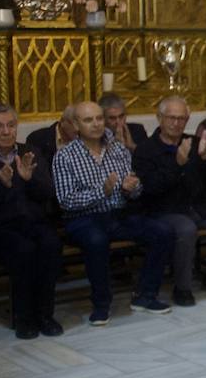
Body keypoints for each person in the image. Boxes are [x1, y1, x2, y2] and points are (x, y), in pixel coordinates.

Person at [52, 101, 175, 325]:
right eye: (88, 120)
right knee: (97, 240)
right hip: (82, 219)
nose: (96, 124)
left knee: (162, 231)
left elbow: (134, 192)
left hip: (118, 214)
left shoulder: (118, 148)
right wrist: (103, 191)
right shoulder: (65, 156)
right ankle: (101, 305)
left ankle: (145, 296)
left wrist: (132, 187)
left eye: (99, 118)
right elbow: (66, 201)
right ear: (76, 125)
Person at [133, 95, 206, 303]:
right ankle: (182, 288)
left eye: (182, 119)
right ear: (159, 118)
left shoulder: (194, 142)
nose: (176, 123)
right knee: (186, 229)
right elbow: (150, 188)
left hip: (199, 206)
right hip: (165, 210)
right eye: (171, 118)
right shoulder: (146, 149)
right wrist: (177, 164)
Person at [0, 104, 63, 339]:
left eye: (11, 125)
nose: (6, 131)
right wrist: (0, 185)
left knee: (50, 244)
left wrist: (28, 179)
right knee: (22, 249)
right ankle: (24, 318)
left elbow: (47, 194)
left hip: (31, 224)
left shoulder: (30, 152)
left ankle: (45, 315)